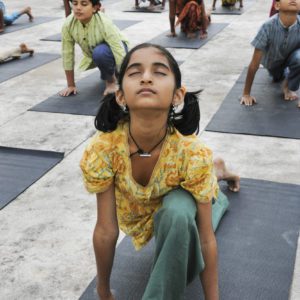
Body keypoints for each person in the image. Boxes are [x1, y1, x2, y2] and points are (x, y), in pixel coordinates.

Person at [80, 43, 240, 300]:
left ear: (178, 95)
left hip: (178, 199)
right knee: (192, 205)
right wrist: (103, 292)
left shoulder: (191, 153)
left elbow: (206, 239)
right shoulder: (104, 149)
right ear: (120, 96)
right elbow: (106, 229)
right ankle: (218, 172)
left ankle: (216, 176)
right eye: (134, 72)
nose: (145, 77)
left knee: (181, 214)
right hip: (141, 207)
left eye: (159, 72)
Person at [60, 0, 129, 97]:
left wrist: (125, 84)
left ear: (95, 8)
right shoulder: (68, 24)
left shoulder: (104, 22)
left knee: (100, 53)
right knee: (99, 54)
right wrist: (71, 85)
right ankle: (110, 72)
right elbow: (67, 53)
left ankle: (111, 82)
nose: (78, 8)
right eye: (75, 4)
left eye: (84, 4)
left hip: (119, 49)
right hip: (97, 53)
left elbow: (119, 51)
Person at [241, 0, 300, 108]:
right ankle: (283, 76)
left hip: (293, 60)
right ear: (277, 5)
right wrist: (246, 94)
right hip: (273, 64)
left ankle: (288, 86)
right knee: (277, 77)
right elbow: (254, 63)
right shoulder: (267, 27)